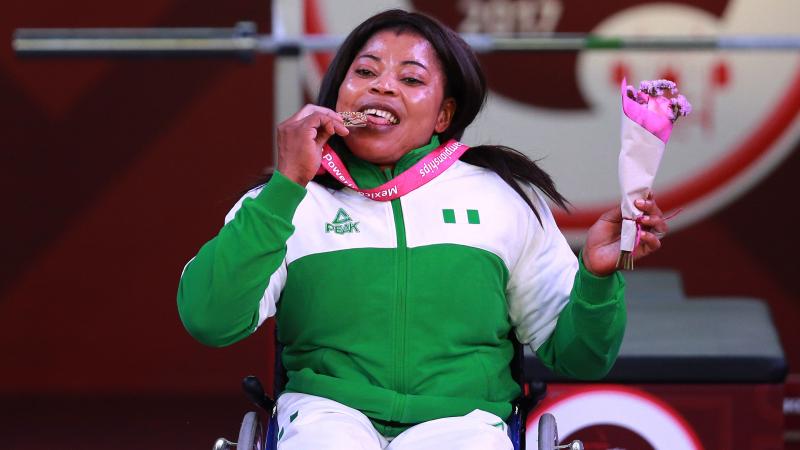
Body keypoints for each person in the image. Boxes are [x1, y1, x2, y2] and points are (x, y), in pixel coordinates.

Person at [177, 9, 668, 450]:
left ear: (444, 115)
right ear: (337, 96)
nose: (382, 86)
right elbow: (210, 320)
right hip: (325, 418)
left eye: (411, 79)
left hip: (466, 423)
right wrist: (286, 186)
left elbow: (580, 359)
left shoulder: (503, 198)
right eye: (365, 72)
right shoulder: (289, 201)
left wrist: (598, 281)